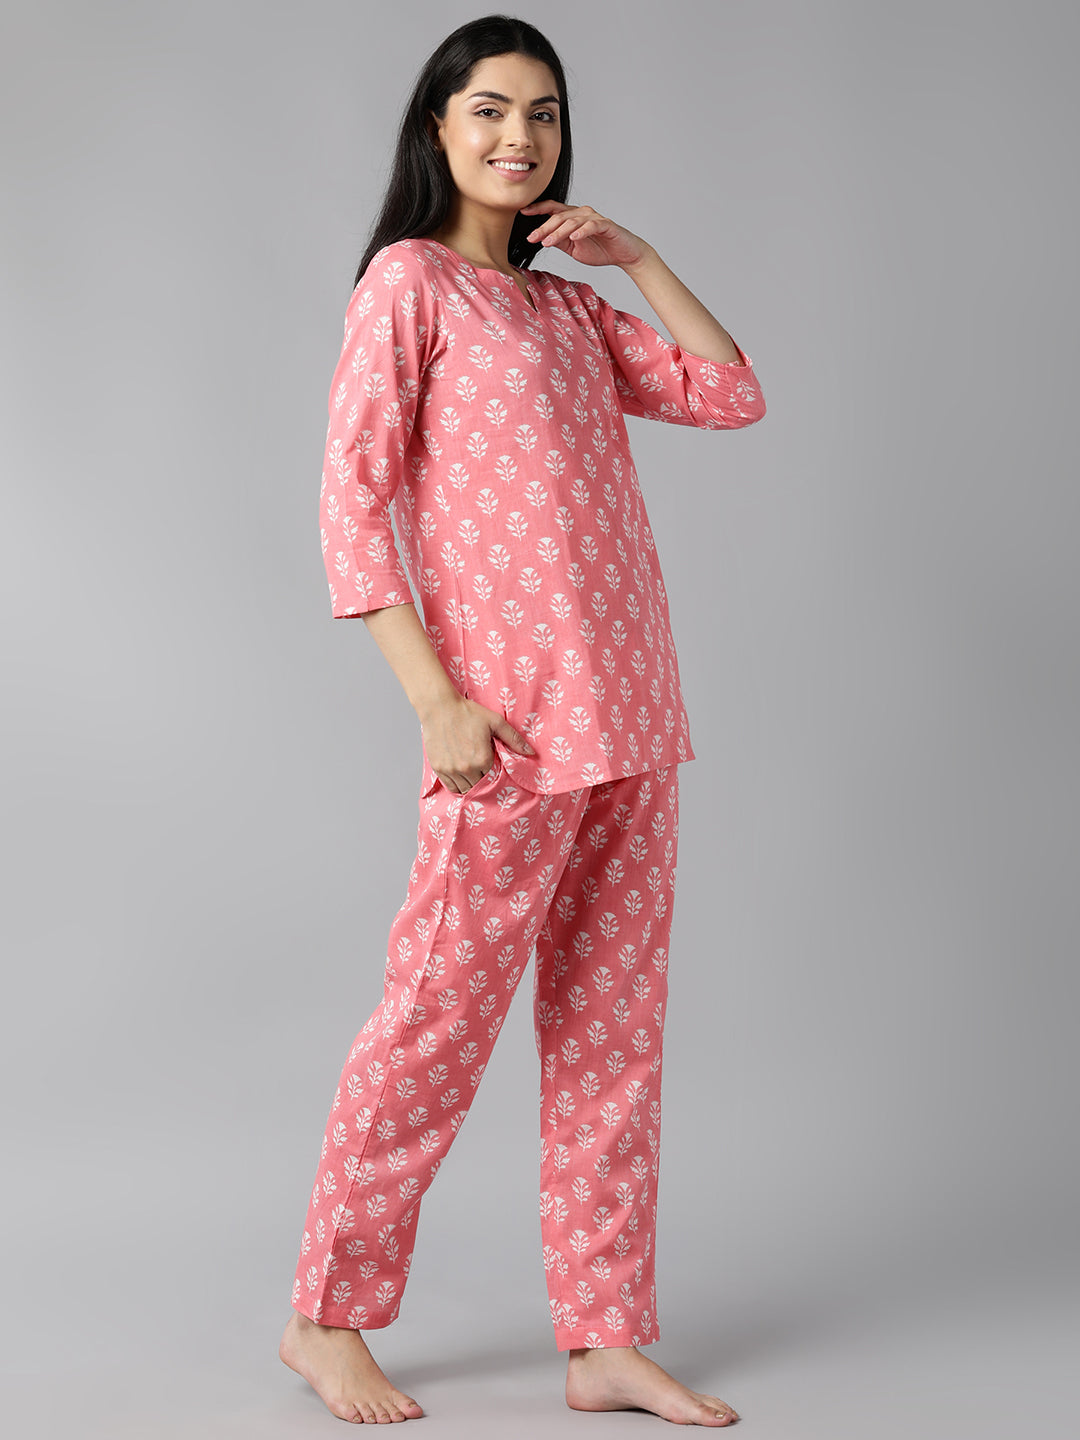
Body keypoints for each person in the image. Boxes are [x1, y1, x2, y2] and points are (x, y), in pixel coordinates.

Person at [279, 13, 765, 1428]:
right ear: (438, 127)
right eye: (489, 109)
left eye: (543, 114)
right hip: (511, 731)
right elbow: (350, 502)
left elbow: (730, 392)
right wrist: (436, 699)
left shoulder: (568, 312)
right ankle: (325, 1317)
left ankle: (604, 1338)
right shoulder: (410, 284)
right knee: (433, 1026)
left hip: (635, 715)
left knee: (613, 1040)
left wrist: (639, 260)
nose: (519, 136)